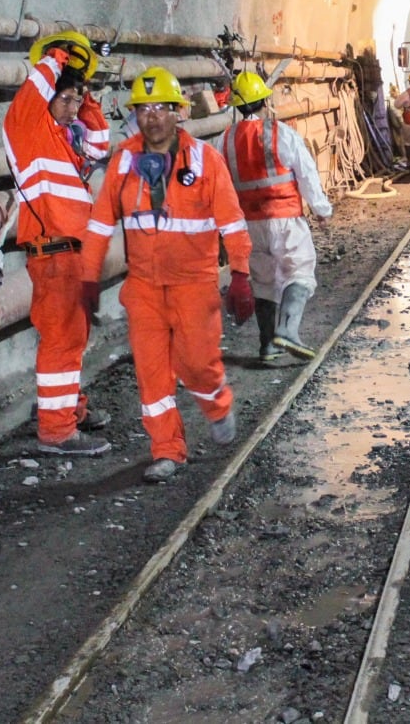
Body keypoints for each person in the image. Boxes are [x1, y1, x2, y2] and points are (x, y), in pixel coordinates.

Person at [78, 67, 255, 483]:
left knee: (197, 364)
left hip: (194, 284)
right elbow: (100, 224)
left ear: (178, 111)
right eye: (144, 109)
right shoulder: (124, 161)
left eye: (161, 107)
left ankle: (217, 405)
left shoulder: (204, 160)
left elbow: (232, 222)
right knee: (151, 372)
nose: (152, 116)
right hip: (143, 287)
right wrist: (88, 277)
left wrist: (241, 274)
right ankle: (167, 449)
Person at [1, 31, 114, 456]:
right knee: (62, 340)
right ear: (46, 96)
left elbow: (100, 145)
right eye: (63, 100)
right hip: (53, 254)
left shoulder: (64, 143)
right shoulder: (28, 128)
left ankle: (70, 409)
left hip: (71, 256)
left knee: (72, 338)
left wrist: (84, 95)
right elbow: (34, 92)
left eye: (74, 102)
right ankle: (56, 431)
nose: (71, 108)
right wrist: (59, 55)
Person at [218, 71, 333, 363]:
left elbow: (218, 185)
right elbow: (306, 173)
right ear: (264, 102)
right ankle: (288, 331)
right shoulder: (282, 133)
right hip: (285, 218)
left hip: (247, 224)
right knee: (300, 272)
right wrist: (321, 209)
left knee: (263, 280)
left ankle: (268, 345)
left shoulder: (224, 140)